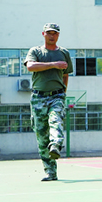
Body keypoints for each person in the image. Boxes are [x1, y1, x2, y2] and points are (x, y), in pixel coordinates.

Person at [24, 23, 73, 182]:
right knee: (41, 136)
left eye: (55, 33)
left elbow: (65, 75)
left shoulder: (64, 53)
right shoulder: (36, 51)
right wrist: (53, 64)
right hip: (38, 97)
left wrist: (63, 93)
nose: (52, 36)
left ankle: (56, 144)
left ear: (58, 35)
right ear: (43, 34)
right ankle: (50, 172)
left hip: (57, 96)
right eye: (49, 33)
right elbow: (30, 67)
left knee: (55, 119)